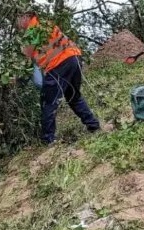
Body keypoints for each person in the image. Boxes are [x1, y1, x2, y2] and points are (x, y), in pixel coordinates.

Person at [17, 12, 100, 144]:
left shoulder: (32, 28)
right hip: (74, 57)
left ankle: (48, 139)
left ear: (26, 17)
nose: (18, 24)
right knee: (73, 96)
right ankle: (93, 125)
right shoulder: (45, 24)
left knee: (48, 101)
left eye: (19, 19)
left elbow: (26, 53)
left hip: (59, 64)